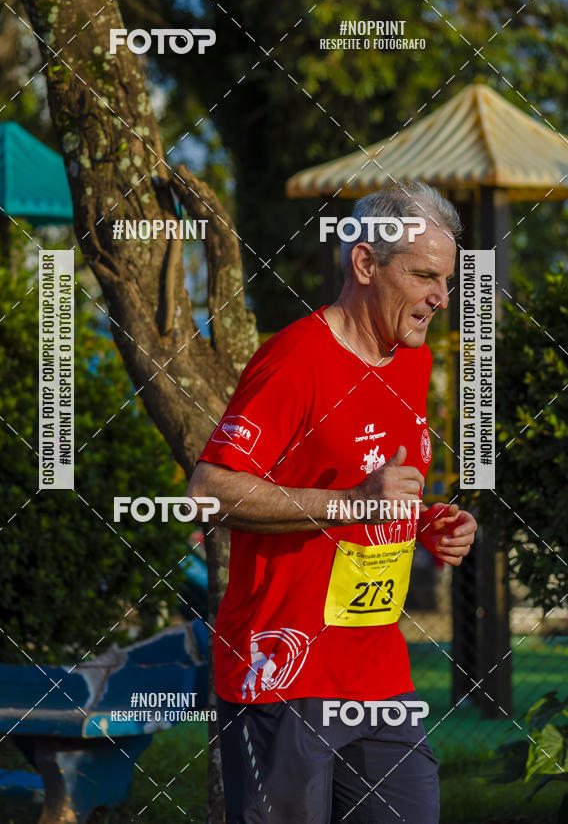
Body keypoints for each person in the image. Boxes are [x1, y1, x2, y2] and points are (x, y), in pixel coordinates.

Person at [187, 181, 478, 823]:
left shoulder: (411, 360)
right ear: (365, 264)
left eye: (447, 279)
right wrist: (351, 504)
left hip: (377, 675)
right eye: (425, 274)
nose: (441, 296)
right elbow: (209, 491)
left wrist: (430, 522)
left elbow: (381, 485)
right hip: (283, 672)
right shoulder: (295, 361)